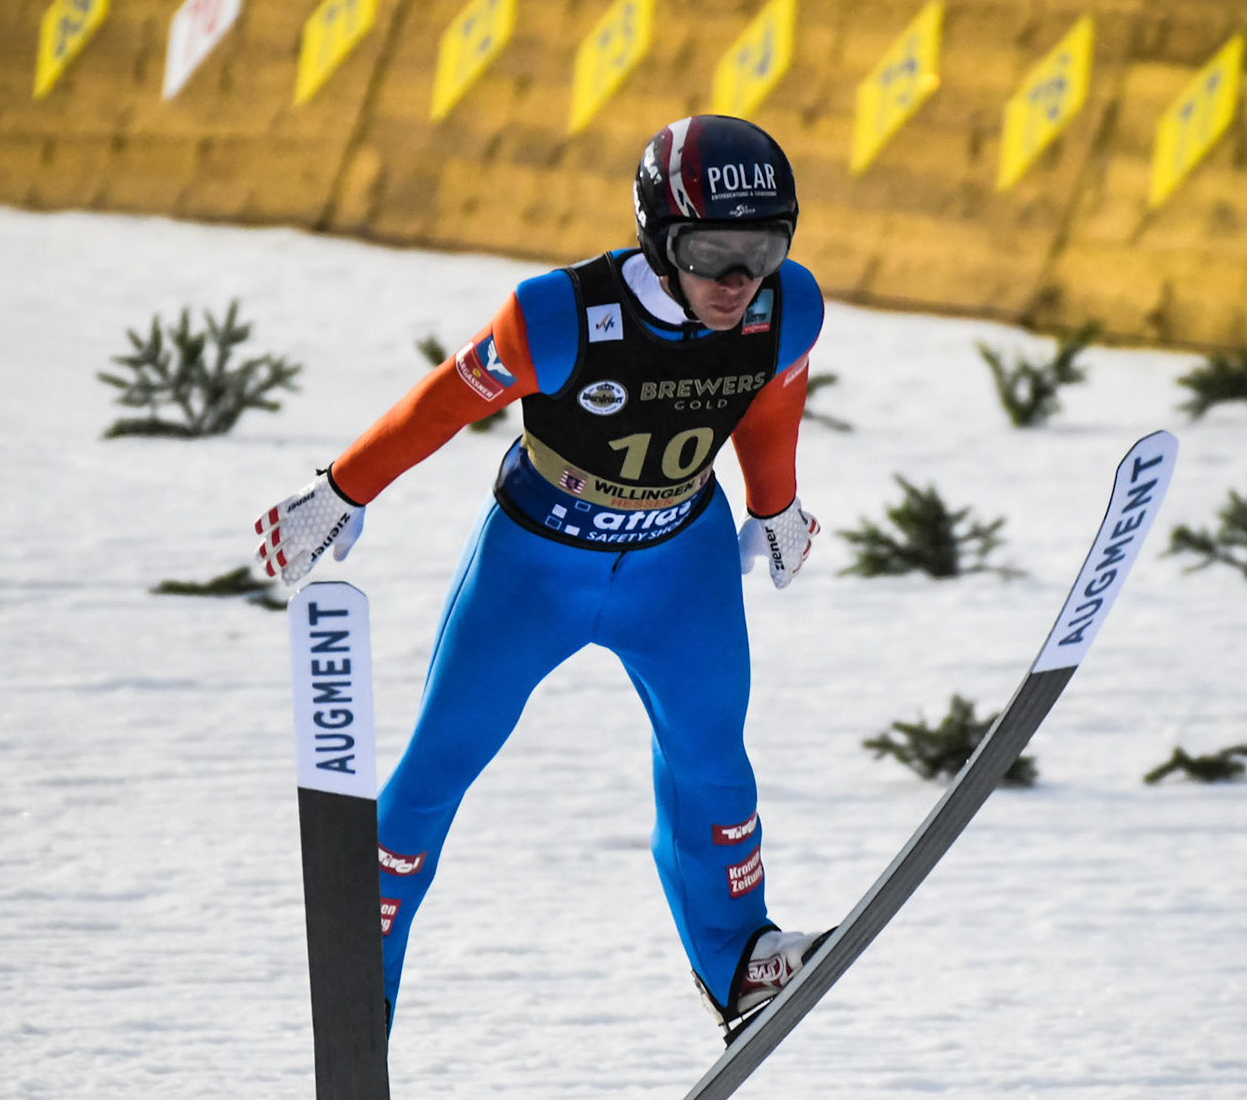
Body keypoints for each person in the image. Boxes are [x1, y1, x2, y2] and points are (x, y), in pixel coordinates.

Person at [257, 115, 828, 1041]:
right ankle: (369, 974)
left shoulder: (785, 306)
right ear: (657, 233)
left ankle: (739, 962)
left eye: (760, 248)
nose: (737, 280)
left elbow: (769, 402)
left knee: (714, 761)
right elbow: (439, 406)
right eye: (709, 249)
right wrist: (342, 489)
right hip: (536, 566)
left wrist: (776, 504)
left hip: (680, 564)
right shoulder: (559, 315)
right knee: (440, 767)